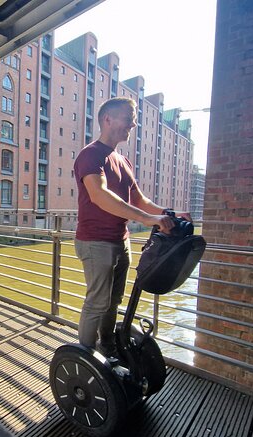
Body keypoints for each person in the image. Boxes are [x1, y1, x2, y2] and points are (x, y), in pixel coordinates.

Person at [73, 97, 190, 359]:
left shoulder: (122, 160)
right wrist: (148, 220)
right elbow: (99, 195)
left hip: (119, 240)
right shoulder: (90, 155)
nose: (133, 124)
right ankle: (85, 360)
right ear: (108, 120)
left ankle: (107, 348)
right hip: (95, 241)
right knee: (97, 302)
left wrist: (166, 213)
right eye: (129, 118)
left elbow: (139, 199)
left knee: (113, 302)